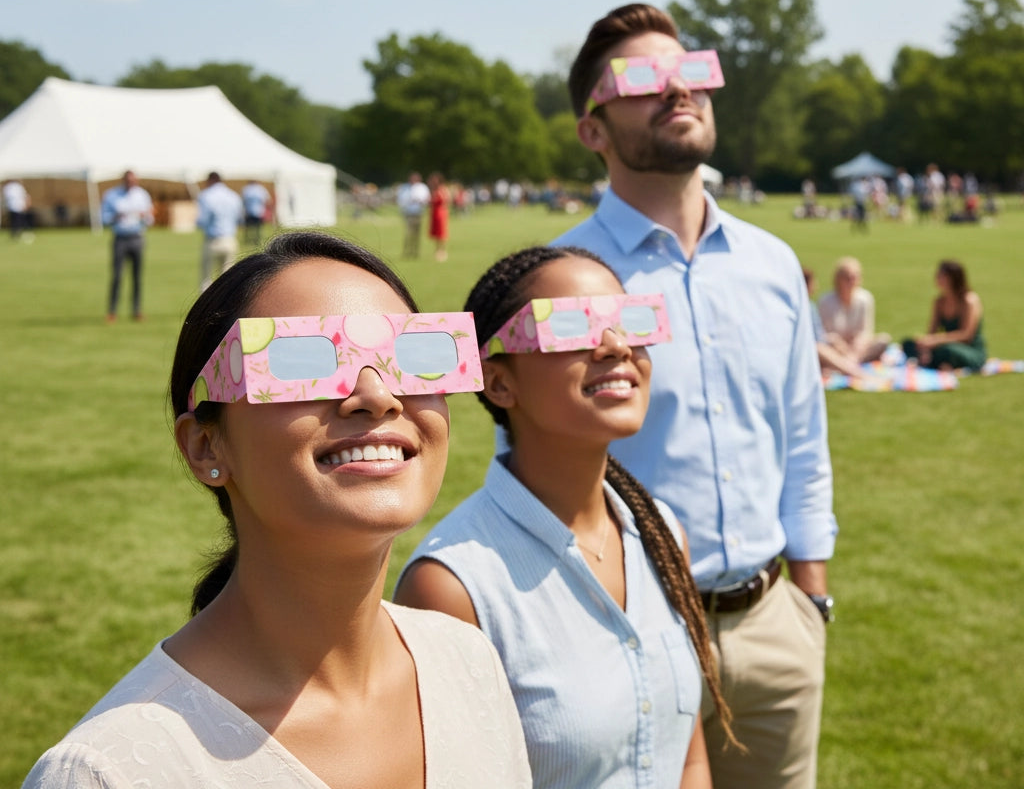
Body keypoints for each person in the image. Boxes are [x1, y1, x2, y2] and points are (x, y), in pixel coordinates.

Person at [22, 231, 532, 789]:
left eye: (413, 354)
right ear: (206, 447)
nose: (378, 395)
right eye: (299, 359)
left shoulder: (468, 662)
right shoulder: (107, 771)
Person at [549, 3, 836, 789]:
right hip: (628, 631)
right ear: (594, 130)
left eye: (692, 72)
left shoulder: (772, 263)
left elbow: (803, 437)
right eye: (643, 79)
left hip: (772, 621)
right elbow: (537, 467)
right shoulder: (560, 278)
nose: (678, 92)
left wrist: (811, 601)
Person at [396, 244, 736, 788]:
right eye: (573, 326)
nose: (617, 345)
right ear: (499, 381)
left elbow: (689, 755)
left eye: (631, 321)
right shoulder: (452, 588)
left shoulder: (663, 535)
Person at [901, 259, 987, 371]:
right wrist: (925, 346)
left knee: (946, 351)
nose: (938, 278)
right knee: (909, 343)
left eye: (942, 276)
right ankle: (934, 362)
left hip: (968, 350)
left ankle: (935, 362)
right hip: (945, 344)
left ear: (954, 278)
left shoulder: (969, 301)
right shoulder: (939, 301)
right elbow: (932, 332)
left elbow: (966, 336)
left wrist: (935, 340)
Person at [100, 170, 155, 322]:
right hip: (120, 238)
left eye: (134, 181)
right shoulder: (112, 195)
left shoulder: (143, 195)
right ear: (123, 180)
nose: (131, 184)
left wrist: (146, 216)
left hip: (137, 237)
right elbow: (103, 218)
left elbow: (151, 219)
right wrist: (115, 216)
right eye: (129, 181)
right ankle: (112, 311)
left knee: (137, 276)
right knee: (117, 276)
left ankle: (136, 310)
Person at [816, 257, 891, 364]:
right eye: (847, 278)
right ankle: (850, 363)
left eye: (854, 277)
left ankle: (849, 362)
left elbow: (865, 331)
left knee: (883, 339)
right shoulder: (825, 301)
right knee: (830, 342)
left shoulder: (865, 299)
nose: (851, 282)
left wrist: (856, 347)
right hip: (834, 348)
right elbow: (822, 334)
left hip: (858, 349)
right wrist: (840, 345)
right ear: (838, 279)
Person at [802, 267, 864, 380]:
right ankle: (854, 372)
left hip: (821, 345)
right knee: (820, 347)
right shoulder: (809, 305)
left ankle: (847, 364)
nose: (816, 286)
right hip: (810, 349)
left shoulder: (810, 305)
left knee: (833, 341)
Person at [196, 171, 243, 290]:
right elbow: (239, 218)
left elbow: (203, 220)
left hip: (213, 240)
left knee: (206, 279)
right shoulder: (233, 196)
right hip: (229, 239)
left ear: (210, 180)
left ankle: (205, 308)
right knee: (227, 279)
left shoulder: (206, 195)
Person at [397, 171, 430, 259]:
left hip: (418, 212)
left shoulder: (422, 187)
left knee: (416, 233)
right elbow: (401, 200)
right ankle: (407, 251)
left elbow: (427, 199)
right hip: (408, 213)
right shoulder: (405, 187)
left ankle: (415, 251)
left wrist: (419, 201)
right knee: (408, 233)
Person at [241, 179, 272, 245]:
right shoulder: (261, 189)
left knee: (248, 228)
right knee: (258, 228)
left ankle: (247, 241)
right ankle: (257, 241)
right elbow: (268, 200)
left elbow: (243, 200)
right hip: (259, 212)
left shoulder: (246, 189)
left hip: (249, 212)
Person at [427, 171, 450, 261]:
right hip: (434, 213)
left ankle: (443, 250)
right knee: (436, 233)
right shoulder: (433, 191)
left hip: (441, 213)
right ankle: (437, 250)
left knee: (442, 232)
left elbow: (446, 200)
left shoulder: (442, 189)